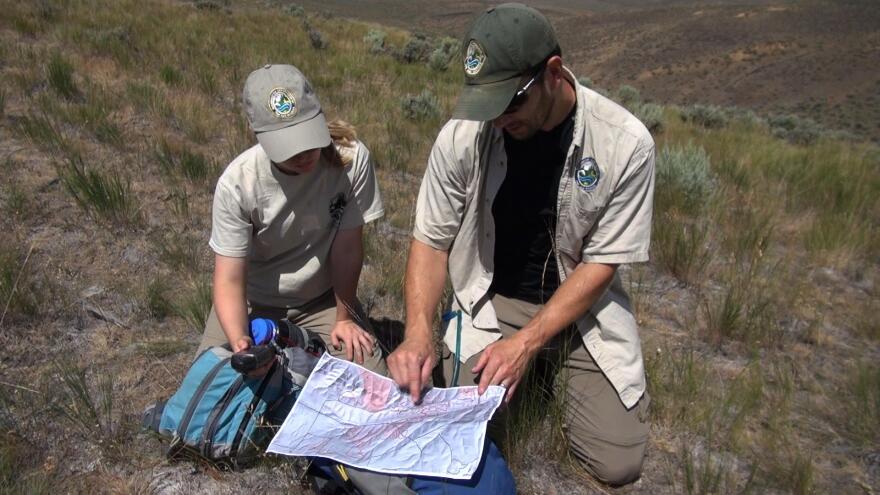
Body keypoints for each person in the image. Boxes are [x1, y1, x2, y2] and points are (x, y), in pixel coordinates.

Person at [387, 3, 655, 486]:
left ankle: (551, 368)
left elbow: (600, 264)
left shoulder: (625, 144)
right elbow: (431, 241)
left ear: (552, 73)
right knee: (450, 422)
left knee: (617, 465)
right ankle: (513, 367)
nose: (496, 121)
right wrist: (417, 330)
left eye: (509, 104)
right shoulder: (462, 138)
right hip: (496, 300)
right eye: (485, 106)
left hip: (579, 311)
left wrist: (528, 344)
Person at [196, 64, 386, 376]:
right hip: (252, 301)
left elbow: (348, 249)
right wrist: (242, 342)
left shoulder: (351, 160)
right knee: (211, 387)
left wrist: (344, 318)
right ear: (257, 133)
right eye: (287, 145)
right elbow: (229, 279)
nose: (302, 154)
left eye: (307, 136)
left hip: (321, 299)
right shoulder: (239, 183)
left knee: (373, 380)